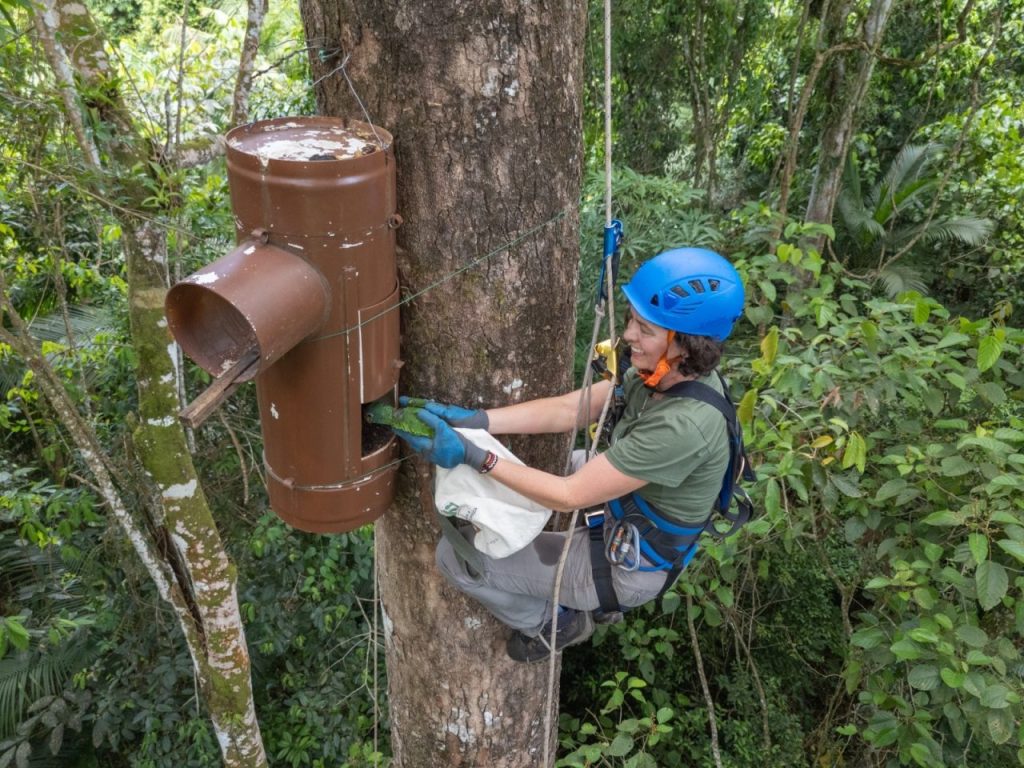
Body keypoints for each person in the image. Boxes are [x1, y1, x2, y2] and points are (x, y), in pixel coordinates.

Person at [393, 247, 746, 663]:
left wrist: (474, 456)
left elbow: (568, 495)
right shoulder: (663, 373)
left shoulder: (683, 426)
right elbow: (570, 409)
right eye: (632, 319)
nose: (629, 335)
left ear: (685, 347)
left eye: (645, 329)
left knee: (455, 556)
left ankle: (550, 621)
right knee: (539, 466)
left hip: (626, 564)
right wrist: (478, 421)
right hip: (628, 501)